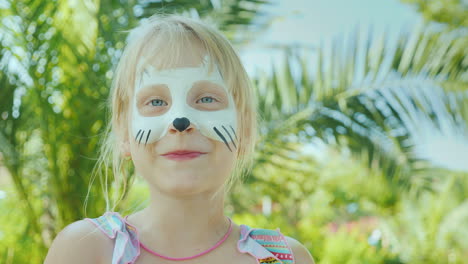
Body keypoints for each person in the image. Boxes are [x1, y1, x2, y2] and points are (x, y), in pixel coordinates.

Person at [44, 14, 314, 264]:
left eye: (207, 99)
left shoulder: (281, 258)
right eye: (156, 101)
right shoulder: (84, 250)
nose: (180, 122)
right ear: (124, 133)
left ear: (243, 130)